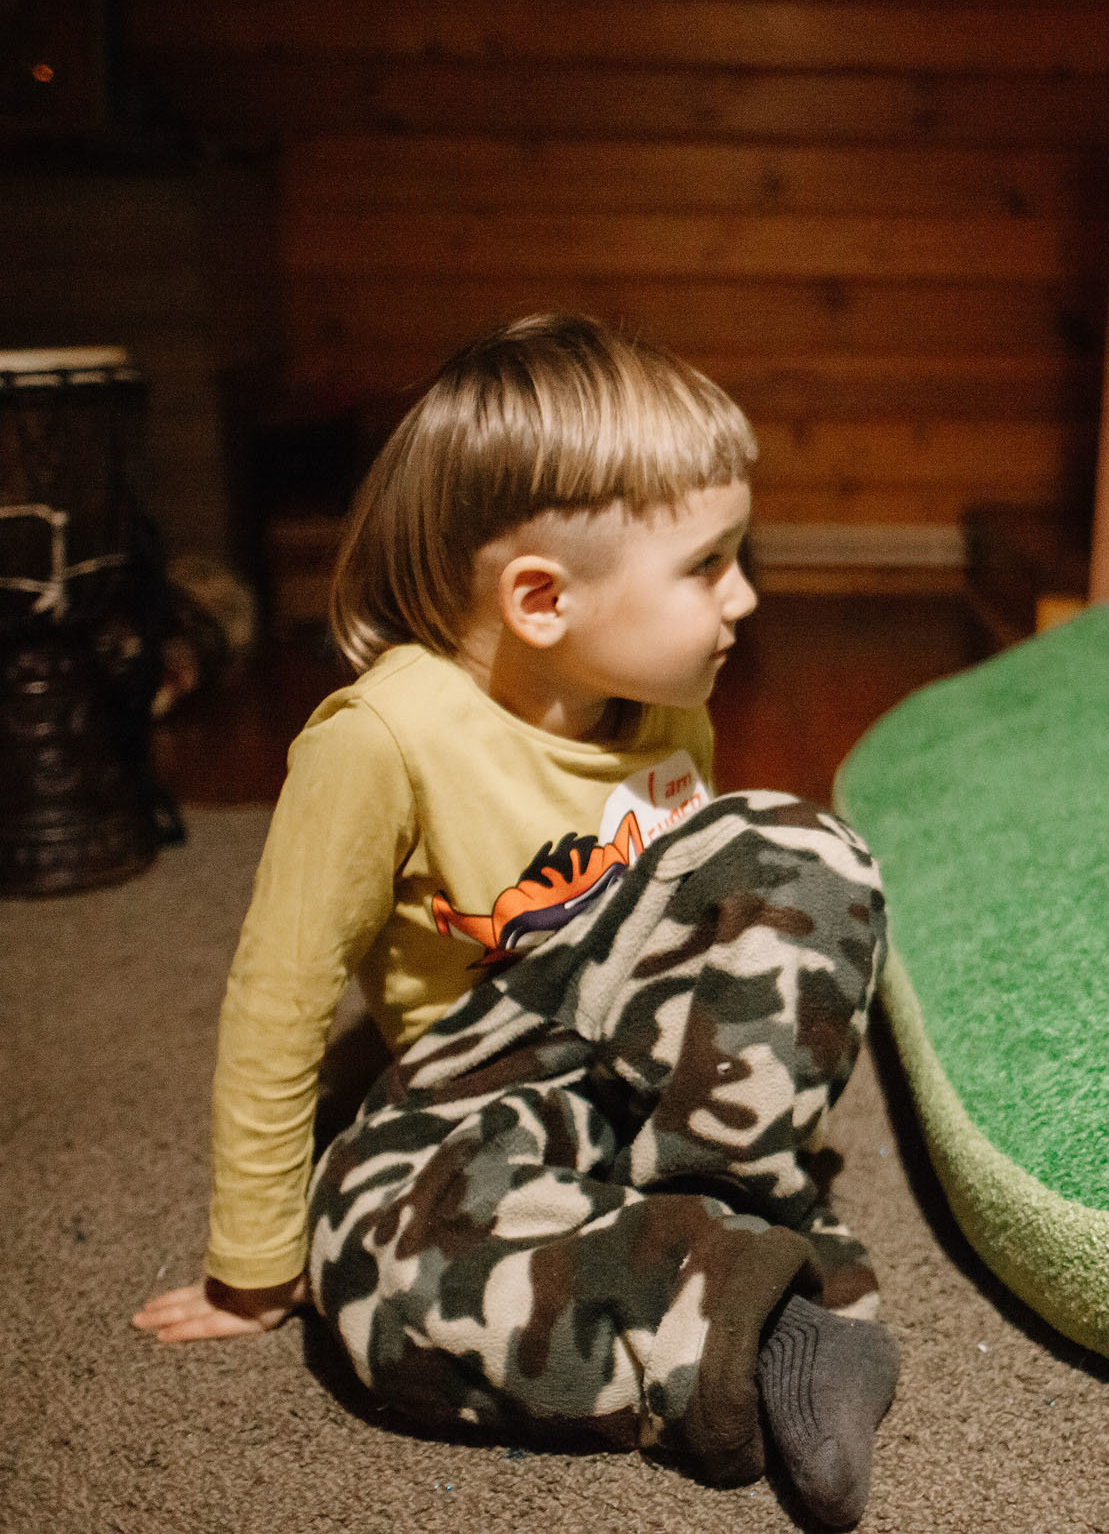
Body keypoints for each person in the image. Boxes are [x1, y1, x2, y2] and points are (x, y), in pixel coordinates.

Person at [132, 315, 900, 1528]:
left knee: (802, 845)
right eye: (708, 565)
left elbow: (712, 939)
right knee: (374, 1284)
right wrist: (254, 1263)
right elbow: (280, 999)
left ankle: (721, 1231)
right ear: (542, 600)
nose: (745, 596)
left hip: (637, 1095)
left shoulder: (666, 712)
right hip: (473, 1087)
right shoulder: (382, 738)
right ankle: (768, 1325)